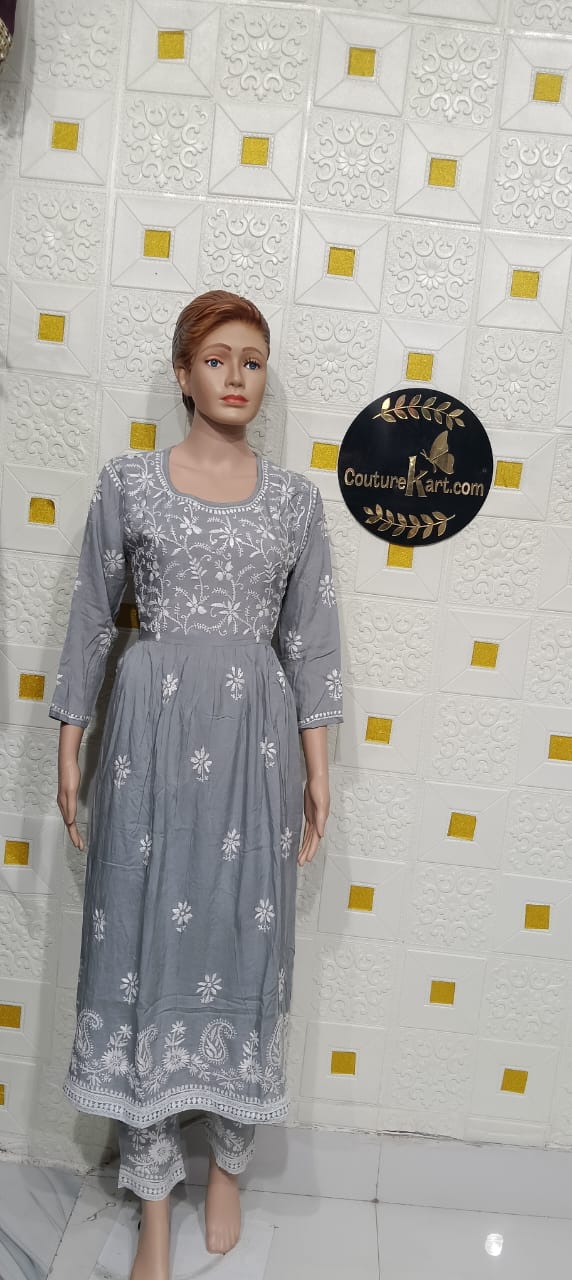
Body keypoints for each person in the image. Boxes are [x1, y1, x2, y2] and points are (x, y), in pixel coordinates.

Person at [49, 289, 343, 1278]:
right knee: (139, 943)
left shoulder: (295, 501)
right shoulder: (129, 483)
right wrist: (69, 738)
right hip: (148, 738)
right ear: (182, 372)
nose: (235, 376)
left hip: (254, 746)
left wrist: (318, 767)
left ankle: (227, 1168)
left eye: (252, 360)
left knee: (245, 939)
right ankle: (151, 1201)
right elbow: (93, 614)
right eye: (216, 357)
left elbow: (310, 639)